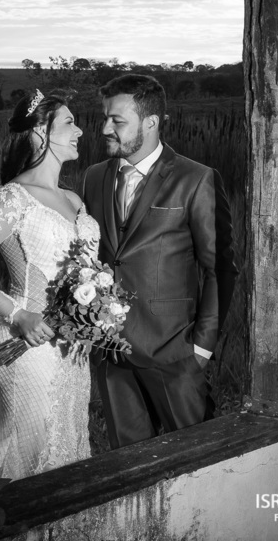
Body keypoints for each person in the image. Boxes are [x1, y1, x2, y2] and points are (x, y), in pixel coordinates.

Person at [80, 74, 238, 449]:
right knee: (129, 466)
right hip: (112, 352)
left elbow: (219, 268)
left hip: (174, 351)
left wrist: (201, 347)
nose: (104, 128)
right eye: (105, 118)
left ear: (150, 122)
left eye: (117, 121)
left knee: (197, 460)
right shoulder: (94, 177)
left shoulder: (196, 179)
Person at [0, 89, 97, 482]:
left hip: (72, 350)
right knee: (28, 454)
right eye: (69, 122)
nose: (80, 130)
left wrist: (100, 311)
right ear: (38, 133)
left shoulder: (73, 199)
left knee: (67, 446)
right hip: (27, 345)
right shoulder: (13, 199)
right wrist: (18, 315)